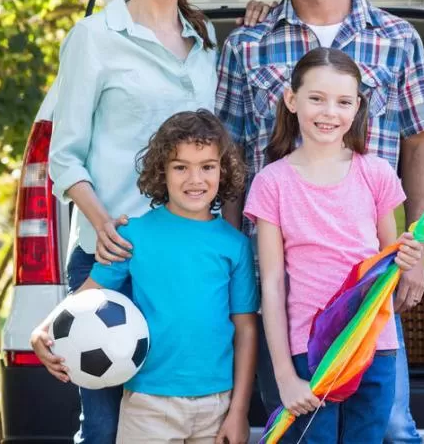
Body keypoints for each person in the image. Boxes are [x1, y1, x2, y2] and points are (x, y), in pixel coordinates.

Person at [216, 0, 424, 443]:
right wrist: (223, 259)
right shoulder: (246, 44)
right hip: (276, 263)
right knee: (300, 419)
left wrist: (415, 253)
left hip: (367, 269)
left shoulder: (397, 39)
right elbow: (225, 158)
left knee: (388, 426)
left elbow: (421, 142)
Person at [45, 0, 266, 443]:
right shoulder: (94, 38)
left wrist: (255, 29)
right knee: (103, 426)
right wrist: (99, 223)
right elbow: (63, 155)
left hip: (188, 256)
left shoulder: (206, 44)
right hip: (114, 251)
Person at [32, 110, 259, 444]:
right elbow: (91, 294)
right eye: (181, 167)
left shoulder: (235, 245)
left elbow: (246, 328)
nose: (195, 179)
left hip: (217, 406)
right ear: (161, 172)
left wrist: (239, 411)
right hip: (147, 405)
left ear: (223, 171)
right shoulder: (134, 235)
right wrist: (44, 326)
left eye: (207, 167)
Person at [245, 47, 423, 442]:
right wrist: (286, 379)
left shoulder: (376, 174)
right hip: (309, 349)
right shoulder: (271, 183)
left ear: (357, 106)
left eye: (343, 102)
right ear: (292, 101)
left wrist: (411, 255)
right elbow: (272, 285)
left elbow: (391, 261)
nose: (330, 113)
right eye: (316, 99)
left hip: (374, 345)